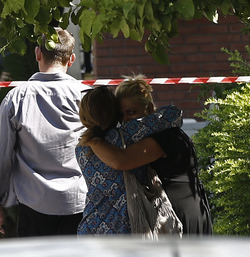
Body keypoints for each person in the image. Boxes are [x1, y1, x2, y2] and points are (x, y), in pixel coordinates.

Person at [0, 28, 88, 238]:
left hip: (34, 205)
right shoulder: (87, 97)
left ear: (37, 53)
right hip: (81, 203)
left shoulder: (17, 98)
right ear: (71, 59)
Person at [85, 77, 213, 235]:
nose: (125, 120)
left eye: (131, 112)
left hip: (180, 214)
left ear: (150, 108)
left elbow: (120, 161)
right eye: (120, 115)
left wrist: (91, 139)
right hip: (172, 213)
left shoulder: (163, 136)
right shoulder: (158, 131)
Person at [75, 87, 182, 235]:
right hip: (127, 225)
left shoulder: (81, 148)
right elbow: (173, 113)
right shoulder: (129, 135)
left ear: (84, 115)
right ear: (115, 112)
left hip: (90, 225)